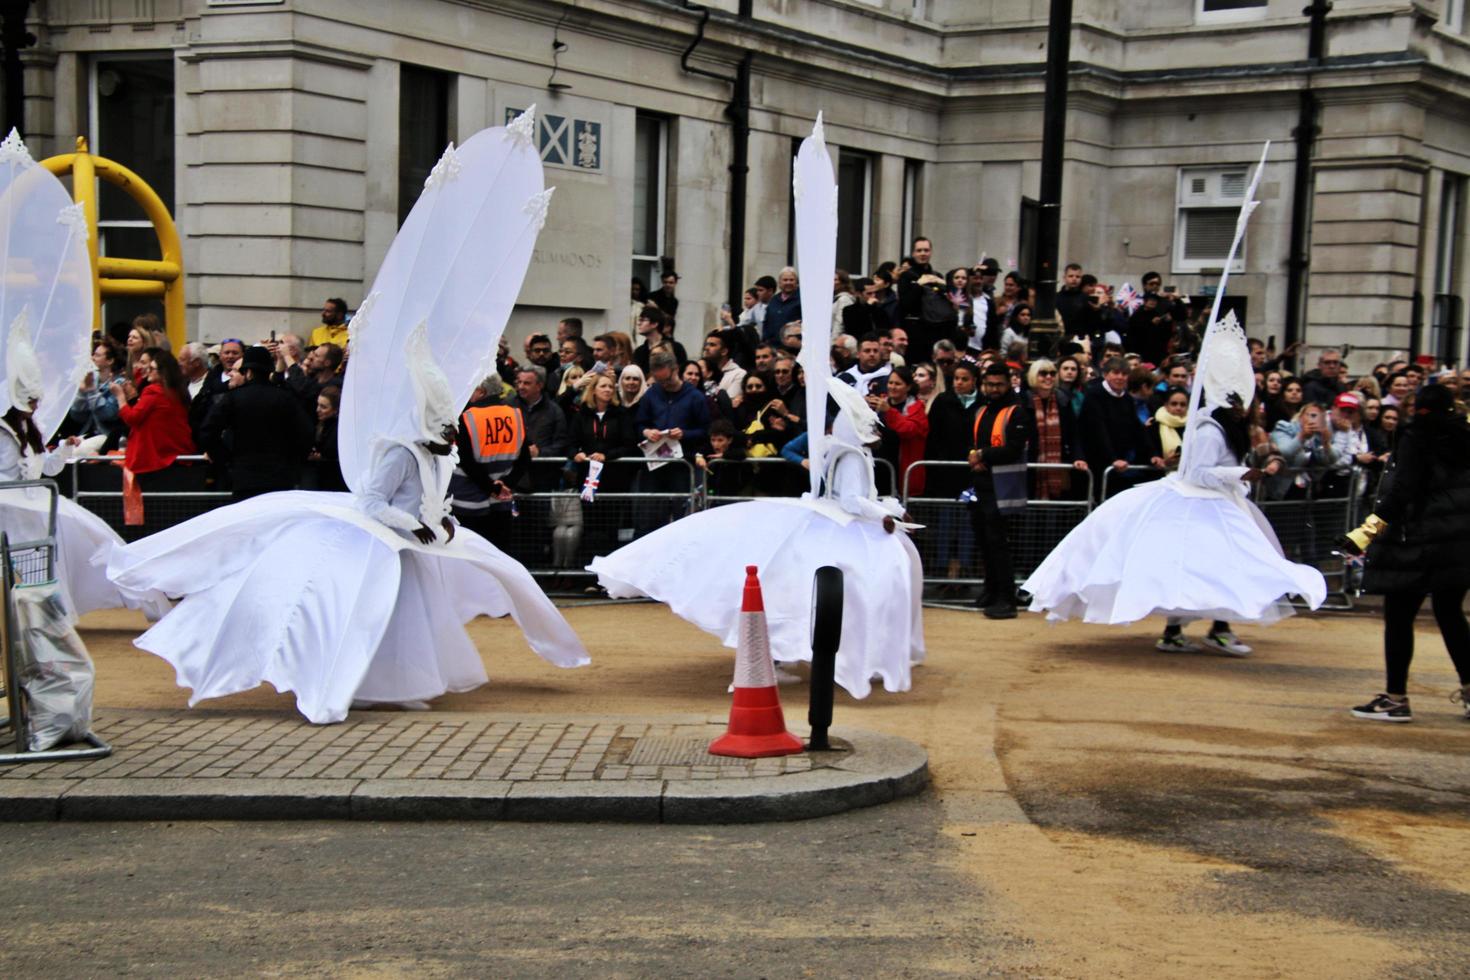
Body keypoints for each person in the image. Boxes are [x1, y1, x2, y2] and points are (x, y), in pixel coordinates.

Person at [590, 379, 924, 697]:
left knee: (819, 590)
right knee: (862, 587)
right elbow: (851, 499)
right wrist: (884, 513)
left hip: (839, 524)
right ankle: (832, 655)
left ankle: (835, 654)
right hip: (845, 527)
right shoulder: (850, 455)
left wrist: (885, 509)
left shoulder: (845, 452)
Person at [1024, 311, 1326, 646]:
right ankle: (1190, 630)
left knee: (1214, 569)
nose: (1246, 408)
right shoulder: (1212, 427)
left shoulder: (1229, 426)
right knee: (1192, 568)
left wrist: (1265, 461)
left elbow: (1242, 454)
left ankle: (1212, 628)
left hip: (1220, 502)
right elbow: (1198, 472)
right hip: (1197, 502)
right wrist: (1243, 472)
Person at [1341, 384, 1470, 722]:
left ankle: (1396, 698)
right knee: (1451, 613)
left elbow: (1403, 491)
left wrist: (1365, 533)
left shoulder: (1417, 437)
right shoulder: (1464, 436)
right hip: (1457, 541)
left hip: (1418, 540)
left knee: (1399, 616)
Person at [199, 345, 315, 501]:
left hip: (244, 476)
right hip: (280, 477)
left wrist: (226, 459)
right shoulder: (285, 398)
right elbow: (306, 432)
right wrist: (293, 461)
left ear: (248, 372)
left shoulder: (233, 398)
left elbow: (207, 432)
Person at [969, 362, 1033, 618]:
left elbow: (1014, 448)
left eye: (999, 385)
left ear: (1009, 384)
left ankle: (1007, 598)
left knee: (999, 545)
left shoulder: (1017, 412)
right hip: (981, 484)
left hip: (1003, 488)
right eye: (989, 384)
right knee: (984, 542)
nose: (994, 389)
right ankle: (991, 590)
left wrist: (983, 454)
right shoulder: (981, 410)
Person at [449, 376, 530, 550]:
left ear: (481, 392)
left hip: (469, 500)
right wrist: (505, 484)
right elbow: (525, 459)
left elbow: (466, 461)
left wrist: (491, 487)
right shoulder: (515, 414)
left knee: (471, 554)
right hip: (502, 499)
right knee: (498, 554)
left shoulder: (467, 417)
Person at [113, 347, 196, 492]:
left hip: (153, 458)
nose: (148, 371)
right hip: (174, 455)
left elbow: (132, 418)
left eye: (152, 368)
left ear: (163, 372)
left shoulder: (153, 391)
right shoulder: (178, 392)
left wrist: (120, 397)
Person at [309, 386, 346, 492]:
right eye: (318, 405)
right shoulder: (321, 424)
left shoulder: (337, 429)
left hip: (333, 480)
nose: (318, 410)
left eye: (323, 407)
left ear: (336, 410)